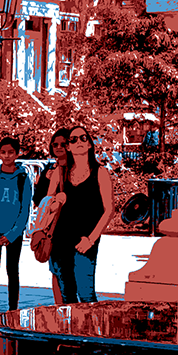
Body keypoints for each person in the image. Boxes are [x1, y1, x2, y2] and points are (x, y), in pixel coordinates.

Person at [47, 125, 116, 304]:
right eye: (74, 139)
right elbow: (47, 208)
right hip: (61, 241)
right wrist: (57, 201)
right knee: (67, 297)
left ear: (90, 145)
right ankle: (70, 332)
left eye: (83, 138)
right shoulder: (59, 173)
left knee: (86, 296)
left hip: (84, 241)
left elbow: (109, 210)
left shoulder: (100, 172)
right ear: (68, 147)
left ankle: (91, 333)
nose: (79, 142)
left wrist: (91, 239)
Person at [0, 136, 32, 317]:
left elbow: (24, 210)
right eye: (3, 152)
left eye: (11, 152)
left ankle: (12, 309)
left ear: (17, 153)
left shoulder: (23, 179)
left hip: (14, 233)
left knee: (12, 270)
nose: (7, 156)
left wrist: (12, 234)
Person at [33, 127, 70, 305]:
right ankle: (60, 308)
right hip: (53, 228)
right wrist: (46, 181)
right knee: (55, 270)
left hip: (71, 226)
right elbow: (38, 200)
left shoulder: (78, 170)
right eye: (55, 144)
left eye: (63, 144)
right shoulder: (49, 170)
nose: (59, 147)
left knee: (71, 272)